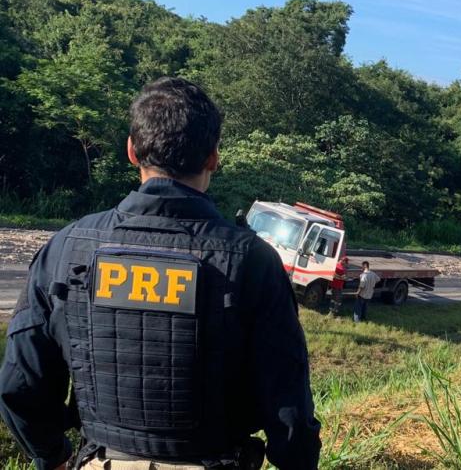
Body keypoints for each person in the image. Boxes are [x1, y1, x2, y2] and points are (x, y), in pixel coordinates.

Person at [0, 77, 320, 470]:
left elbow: (18, 385)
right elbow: (289, 408)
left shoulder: (66, 248)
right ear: (213, 158)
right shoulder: (253, 260)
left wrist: (53, 456)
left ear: (132, 151)